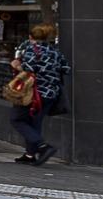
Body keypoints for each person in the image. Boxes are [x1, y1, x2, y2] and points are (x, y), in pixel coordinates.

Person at [8, 22, 67, 165]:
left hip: (32, 93)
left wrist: (16, 65)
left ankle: (42, 146)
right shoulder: (55, 52)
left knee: (17, 119)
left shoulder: (31, 50)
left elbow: (27, 69)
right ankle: (30, 154)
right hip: (51, 93)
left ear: (30, 37)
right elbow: (65, 68)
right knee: (35, 122)